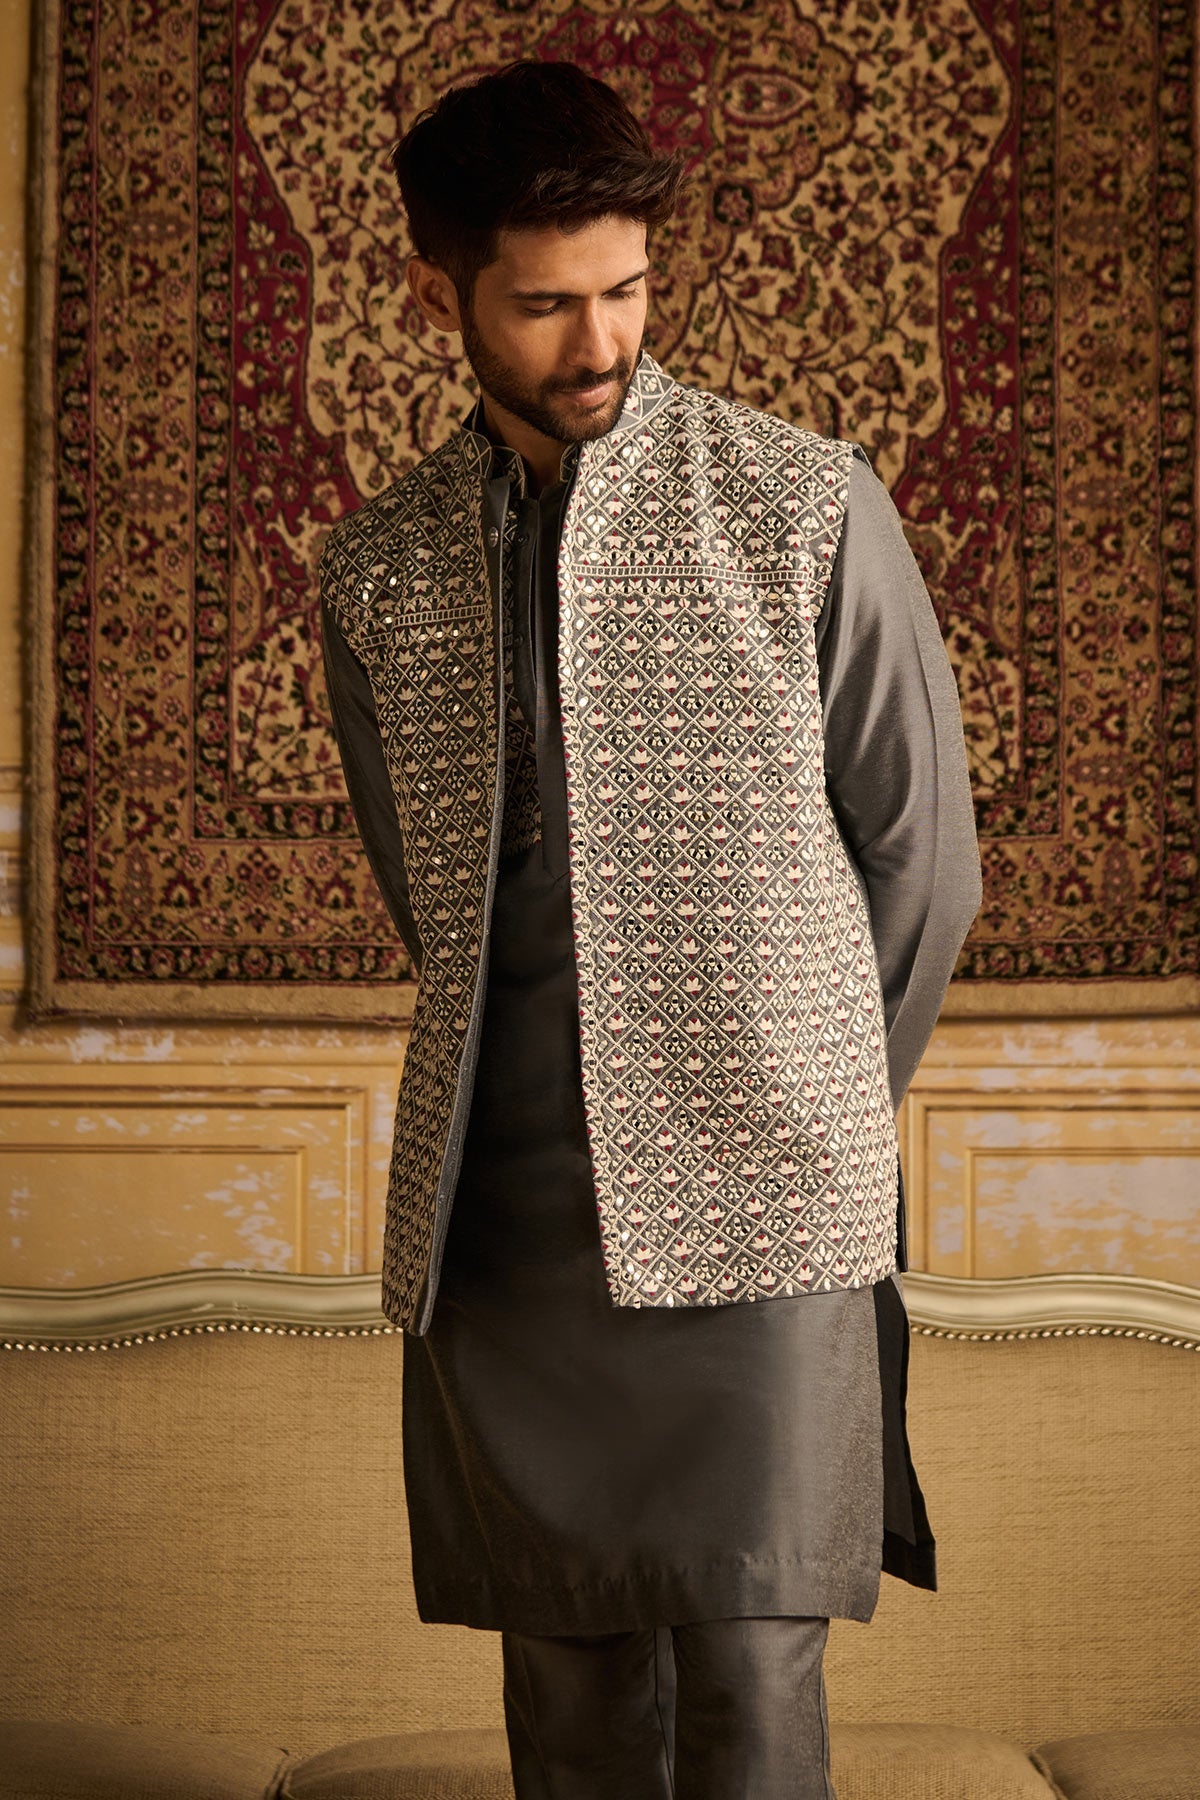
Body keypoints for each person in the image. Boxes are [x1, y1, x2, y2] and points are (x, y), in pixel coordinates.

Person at [319, 57, 981, 1800]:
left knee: (756, 1676)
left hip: (764, 1200)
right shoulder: (378, 572)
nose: (599, 341)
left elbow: (924, 866)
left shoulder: (802, 504)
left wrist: (805, 1095)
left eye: (625, 291)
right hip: (508, 1223)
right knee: (569, 1688)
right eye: (545, 305)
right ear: (440, 297)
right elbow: (432, 898)